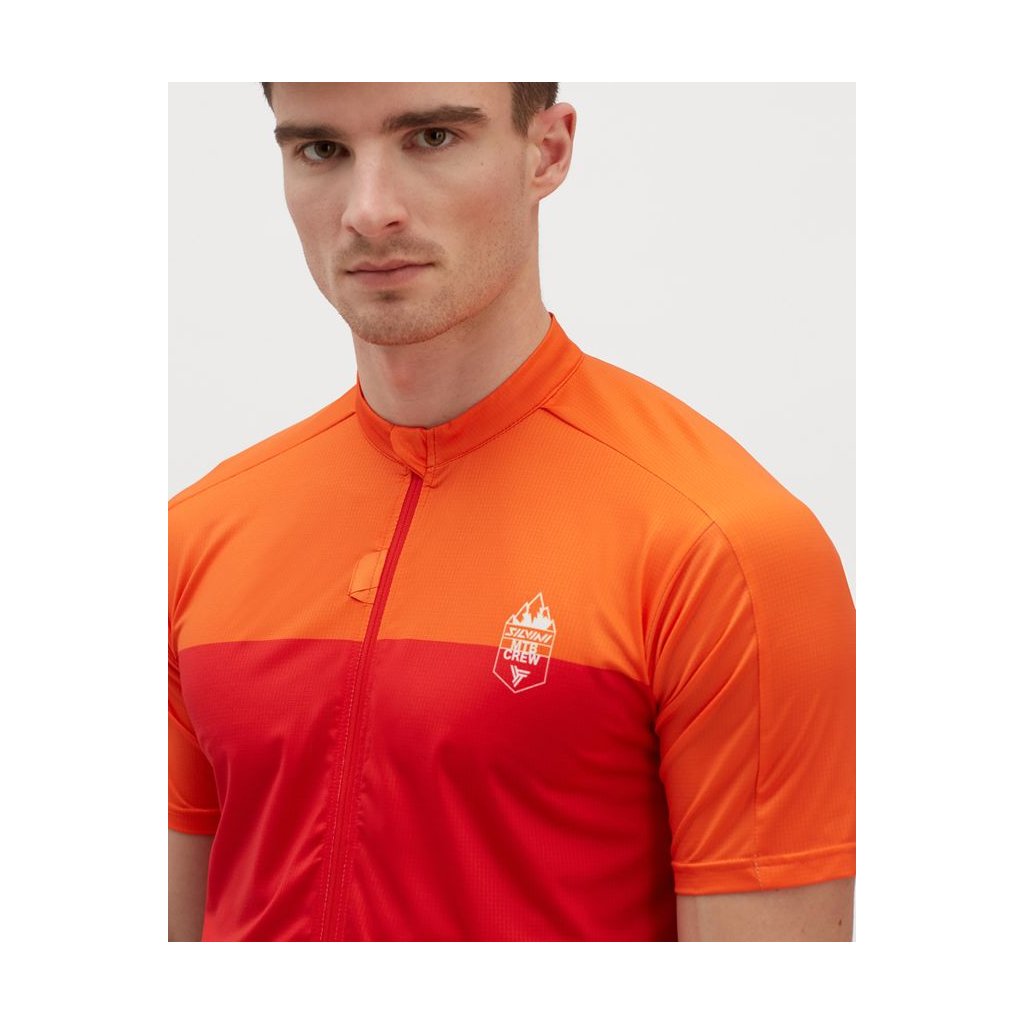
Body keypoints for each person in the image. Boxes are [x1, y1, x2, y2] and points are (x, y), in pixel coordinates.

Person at [168, 82, 855, 942]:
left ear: (548, 151)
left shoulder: (726, 547)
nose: (368, 211)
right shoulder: (194, 537)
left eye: (431, 138)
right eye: (322, 150)